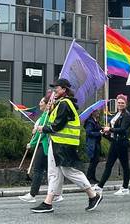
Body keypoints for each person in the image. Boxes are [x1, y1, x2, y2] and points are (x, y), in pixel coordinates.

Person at [30, 78, 101, 213]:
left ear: (64, 90)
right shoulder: (60, 103)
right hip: (57, 142)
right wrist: (50, 110)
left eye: (57, 88)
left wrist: (42, 128)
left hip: (64, 144)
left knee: (69, 171)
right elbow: (56, 122)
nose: (54, 90)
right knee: (54, 173)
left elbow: (57, 125)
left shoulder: (65, 104)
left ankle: (93, 195)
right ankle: (48, 202)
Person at [18, 95, 63, 204]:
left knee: (38, 170)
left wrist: (32, 144)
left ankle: (32, 194)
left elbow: (42, 133)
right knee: (51, 171)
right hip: (45, 146)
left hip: (43, 145)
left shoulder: (47, 115)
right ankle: (57, 194)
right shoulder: (44, 115)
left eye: (41, 102)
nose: (39, 104)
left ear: (48, 103)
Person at [96, 94, 130, 195]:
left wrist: (110, 129)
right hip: (115, 142)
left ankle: (125, 187)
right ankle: (100, 186)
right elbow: (115, 130)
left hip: (122, 143)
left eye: (122, 103)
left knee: (125, 166)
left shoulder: (126, 115)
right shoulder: (117, 114)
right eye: (119, 102)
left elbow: (123, 129)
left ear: (126, 104)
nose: (120, 104)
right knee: (109, 164)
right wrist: (107, 133)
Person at [82, 109, 104, 182]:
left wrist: (103, 129)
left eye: (98, 111)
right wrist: (99, 133)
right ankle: (89, 177)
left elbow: (98, 128)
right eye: (96, 111)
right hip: (92, 143)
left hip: (97, 143)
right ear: (92, 113)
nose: (98, 113)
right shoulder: (90, 122)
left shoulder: (95, 121)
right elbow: (89, 133)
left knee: (96, 160)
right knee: (93, 161)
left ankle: (93, 177)